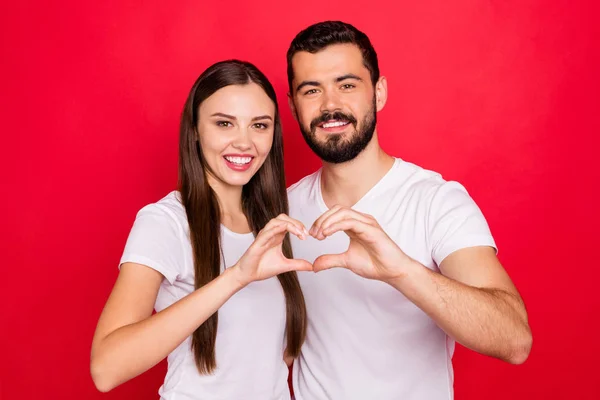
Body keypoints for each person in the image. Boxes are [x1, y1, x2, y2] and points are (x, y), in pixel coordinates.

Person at [284, 21, 533, 399]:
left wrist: (401, 271)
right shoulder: (281, 212)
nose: (330, 104)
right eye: (311, 90)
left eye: (347, 85)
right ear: (292, 105)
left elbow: (514, 339)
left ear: (378, 92)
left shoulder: (436, 201)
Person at [90, 60, 311, 400]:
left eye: (259, 125)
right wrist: (237, 276)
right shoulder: (167, 222)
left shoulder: (276, 224)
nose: (244, 142)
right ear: (195, 129)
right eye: (225, 123)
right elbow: (107, 368)